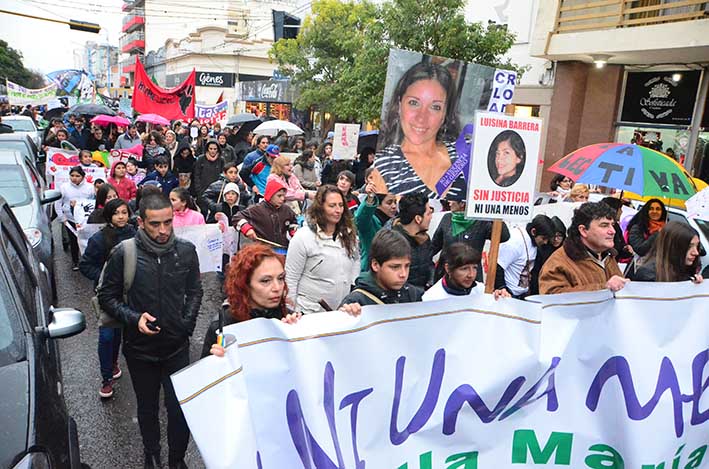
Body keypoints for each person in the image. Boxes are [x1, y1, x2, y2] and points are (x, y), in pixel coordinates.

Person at [97, 193, 203, 469]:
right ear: (141, 222)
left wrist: (186, 326)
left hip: (176, 347)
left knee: (179, 410)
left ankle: (177, 460)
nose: (163, 230)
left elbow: (195, 291)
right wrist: (134, 319)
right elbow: (107, 296)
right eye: (155, 224)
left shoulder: (186, 251)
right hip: (139, 350)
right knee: (147, 408)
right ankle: (151, 455)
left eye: (168, 222)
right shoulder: (124, 252)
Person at [371, 61, 465, 198]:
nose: (422, 117)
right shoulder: (384, 166)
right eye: (414, 103)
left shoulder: (463, 157)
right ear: (399, 105)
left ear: (445, 114)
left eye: (435, 107)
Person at [79, 198, 136, 398]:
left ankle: (113, 362)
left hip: (130, 293)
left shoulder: (134, 233)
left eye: (124, 212)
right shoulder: (99, 239)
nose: (121, 217)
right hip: (107, 294)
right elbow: (85, 265)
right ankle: (106, 379)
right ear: (109, 216)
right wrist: (105, 277)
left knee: (119, 333)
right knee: (107, 335)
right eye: (116, 213)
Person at [202, 244, 301, 358]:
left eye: (280, 278)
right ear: (245, 285)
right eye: (265, 281)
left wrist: (298, 336)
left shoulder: (289, 318)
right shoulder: (223, 327)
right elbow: (204, 374)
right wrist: (217, 362)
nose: (277, 288)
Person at [285, 185, 360, 313]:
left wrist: (352, 287)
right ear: (320, 208)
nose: (338, 210)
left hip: (341, 312)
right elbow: (291, 278)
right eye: (332, 206)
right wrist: (292, 311)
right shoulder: (303, 237)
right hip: (308, 312)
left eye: (341, 205)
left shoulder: (349, 235)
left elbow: (356, 261)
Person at [539, 202, 628, 294]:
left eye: (612, 225)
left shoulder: (608, 256)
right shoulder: (559, 262)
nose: (613, 231)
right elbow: (551, 298)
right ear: (584, 230)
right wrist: (604, 288)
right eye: (604, 225)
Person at [431, 192, 510, 282]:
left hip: (471, 277)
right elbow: (433, 246)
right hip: (446, 275)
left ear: (462, 203)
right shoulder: (447, 218)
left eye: (452, 199)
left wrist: (494, 215)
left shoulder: (481, 221)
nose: (449, 202)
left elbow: (503, 237)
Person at [339, 229, 423, 308]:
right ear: (375, 265)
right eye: (395, 267)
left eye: (407, 266)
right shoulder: (356, 302)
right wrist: (347, 315)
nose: (403, 274)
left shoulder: (414, 296)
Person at [423, 243, 510, 301]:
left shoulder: (481, 290)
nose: (471, 275)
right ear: (448, 268)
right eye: (464, 269)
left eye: (474, 268)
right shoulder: (431, 298)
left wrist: (500, 298)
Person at [496, 214, 554, 298]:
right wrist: (502, 289)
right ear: (533, 232)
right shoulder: (515, 242)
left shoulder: (534, 242)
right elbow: (498, 266)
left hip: (523, 294)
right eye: (543, 238)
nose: (545, 242)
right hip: (509, 295)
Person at [234, 179, 298, 249]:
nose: (282, 199)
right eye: (279, 196)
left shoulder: (286, 209)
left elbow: (293, 222)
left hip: (283, 248)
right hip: (263, 250)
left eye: (283, 195)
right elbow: (236, 217)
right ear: (270, 195)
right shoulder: (257, 209)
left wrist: (293, 232)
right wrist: (246, 228)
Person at [632, 221, 703, 283]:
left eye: (697, 246)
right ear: (673, 247)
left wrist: (695, 285)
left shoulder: (686, 270)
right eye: (689, 246)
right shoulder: (648, 274)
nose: (696, 252)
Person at [389, 192, 434, 289]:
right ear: (418, 219)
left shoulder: (425, 239)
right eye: (428, 214)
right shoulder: (392, 242)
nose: (431, 217)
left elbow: (429, 265)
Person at [354, 179, 398, 271]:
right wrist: (371, 197)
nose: (394, 206)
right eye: (389, 203)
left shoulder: (397, 222)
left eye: (395, 202)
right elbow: (360, 218)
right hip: (371, 272)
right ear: (378, 204)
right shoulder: (370, 222)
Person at [59, 166, 95, 270]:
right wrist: (62, 217)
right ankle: (75, 261)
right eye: (72, 175)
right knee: (74, 240)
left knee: (87, 240)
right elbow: (58, 203)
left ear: (83, 176)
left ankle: (88, 260)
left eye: (77, 176)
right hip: (70, 219)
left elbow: (93, 202)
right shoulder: (64, 187)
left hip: (85, 220)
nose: (74, 178)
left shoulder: (90, 188)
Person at [529, 216, 566, 296]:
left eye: (559, 236)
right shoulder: (541, 249)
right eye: (554, 236)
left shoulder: (566, 250)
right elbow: (536, 272)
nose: (556, 239)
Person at [193, 140, 225, 213]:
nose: (212, 151)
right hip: (203, 189)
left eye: (215, 149)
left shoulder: (221, 160)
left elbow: (222, 175)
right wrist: (198, 190)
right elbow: (197, 175)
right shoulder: (201, 159)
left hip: (216, 191)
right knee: (203, 211)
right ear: (207, 149)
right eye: (211, 149)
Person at [600, 197, 634, 263]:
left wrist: (627, 250)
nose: (621, 211)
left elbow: (621, 249)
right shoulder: (599, 226)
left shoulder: (617, 227)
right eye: (620, 208)